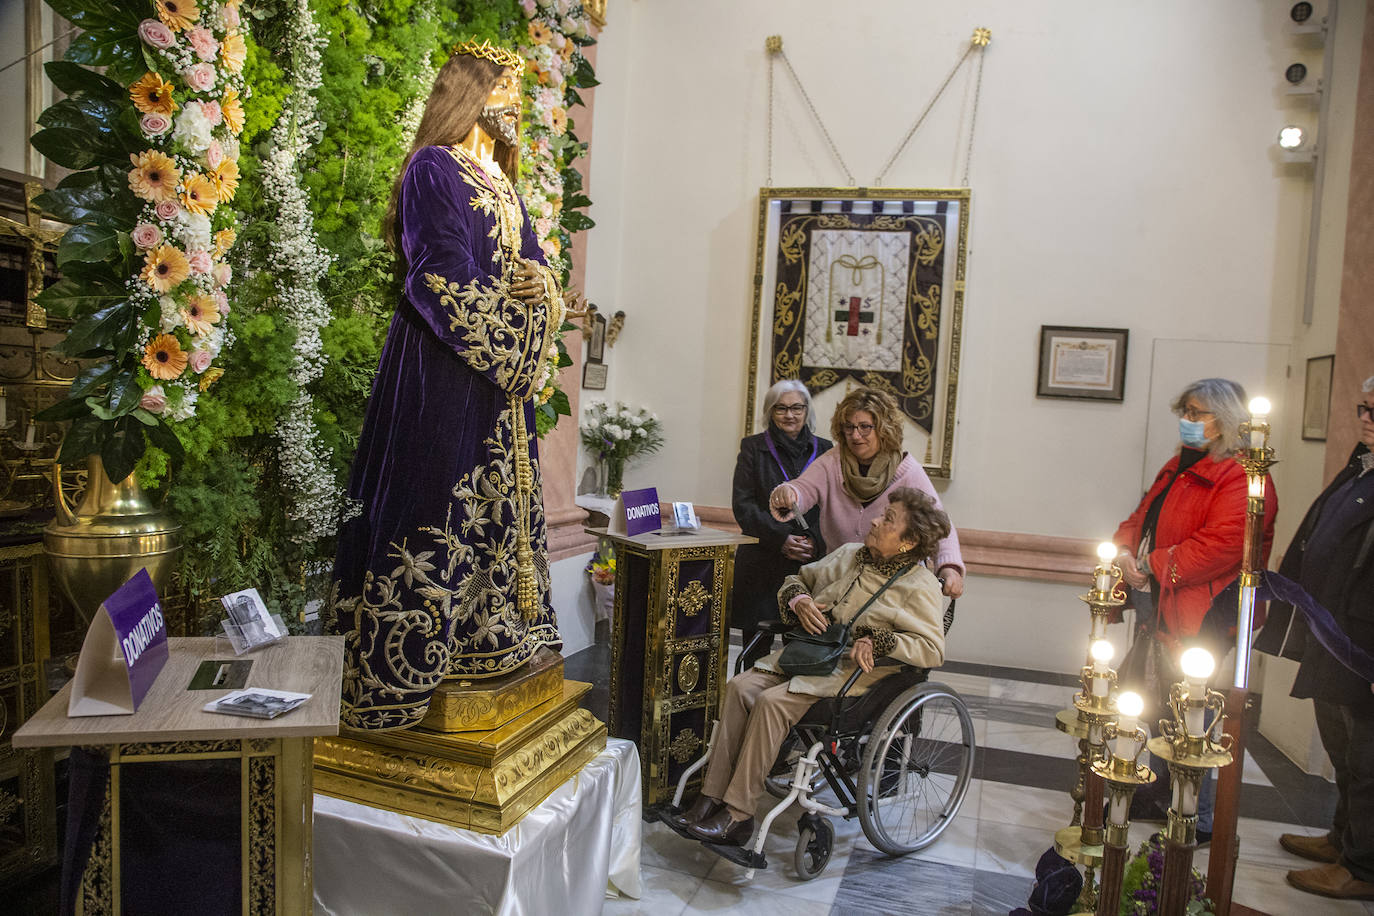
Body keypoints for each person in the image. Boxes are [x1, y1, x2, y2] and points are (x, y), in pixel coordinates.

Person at [329, 42, 577, 730]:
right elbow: (438, 277)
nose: (516, 107)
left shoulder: (501, 179)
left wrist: (544, 292)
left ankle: (486, 642)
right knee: (435, 501)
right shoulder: (433, 170)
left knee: (496, 518)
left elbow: (533, 269)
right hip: (441, 373)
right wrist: (515, 349)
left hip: (499, 387)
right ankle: (407, 669)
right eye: (506, 90)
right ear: (472, 93)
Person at [669, 487, 949, 845]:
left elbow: (931, 649)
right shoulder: (850, 555)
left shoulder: (920, 585)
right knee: (739, 687)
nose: (876, 520)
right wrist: (799, 599)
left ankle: (739, 815)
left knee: (771, 704)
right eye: (881, 513)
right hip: (811, 656)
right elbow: (796, 579)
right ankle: (711, 797)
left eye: (888, 519)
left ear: (908, 542)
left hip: (854, 677)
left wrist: (880, 641)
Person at [1112, 377, 1277, 835]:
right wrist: (1125, 550)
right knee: (1160, 700)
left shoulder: (1242, 475)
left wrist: (1154, 562)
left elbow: (1223, 545)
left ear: (1223, 420)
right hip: (1162, 601)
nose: (1186, 421)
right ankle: (1165, 791)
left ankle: (1198, 815)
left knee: (1195, 711)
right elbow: (1140, 515)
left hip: (1204, 610)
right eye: (1184, 411)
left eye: (1196, 412)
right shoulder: (1180, 465)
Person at [1255, 374, 1374, 901]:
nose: (1365, 419)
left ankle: (1363, 867)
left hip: (1364, 647)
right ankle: (1344, 839)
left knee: (1368, 758)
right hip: (1336, 635)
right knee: (1344, 750)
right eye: (1363, 408)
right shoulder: (1359, 468)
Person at [767, 387, 965, 598]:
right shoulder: (833, 461)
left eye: (865, 427)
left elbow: (938, 524)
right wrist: (788, 492)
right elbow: (803, 489)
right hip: (840, 580)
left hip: (894, 586)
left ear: (883, 428)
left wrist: (949, 567)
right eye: (849, 427)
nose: (855, 435)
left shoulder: (906, 470)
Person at [730, 380, 832, 669]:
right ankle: (749, 709)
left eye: (797, 407)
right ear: (770, 412)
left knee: (801, 650)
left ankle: (786, 710)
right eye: (781, 408)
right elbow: (744, 506)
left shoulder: (825, 450)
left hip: (808, 565)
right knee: (755, 654)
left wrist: (814, 541)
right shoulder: (753, 448)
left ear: (806, 411)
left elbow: (832, 506)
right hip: (763, 562)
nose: (790, 415)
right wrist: (782, 540)